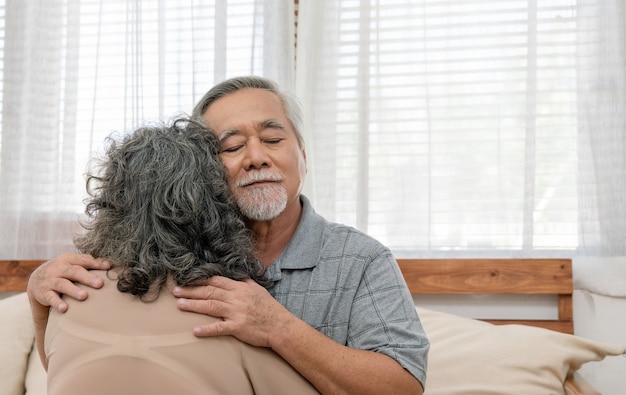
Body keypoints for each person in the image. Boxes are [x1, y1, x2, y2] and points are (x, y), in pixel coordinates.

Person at [28, 76, 429, 394]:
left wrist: (279, 327)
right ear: (202, 171)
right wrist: (40, 296)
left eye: (273, 139)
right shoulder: (167, 254)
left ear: (302, 154)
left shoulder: (361, 259)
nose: (257, 157)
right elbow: (91, 370)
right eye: (232, 146)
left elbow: (402, 386)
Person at [36, 118, 319, 394]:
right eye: (232, 147)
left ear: (111, 202)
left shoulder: (67, 297)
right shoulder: (230, 316)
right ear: (214, 206)